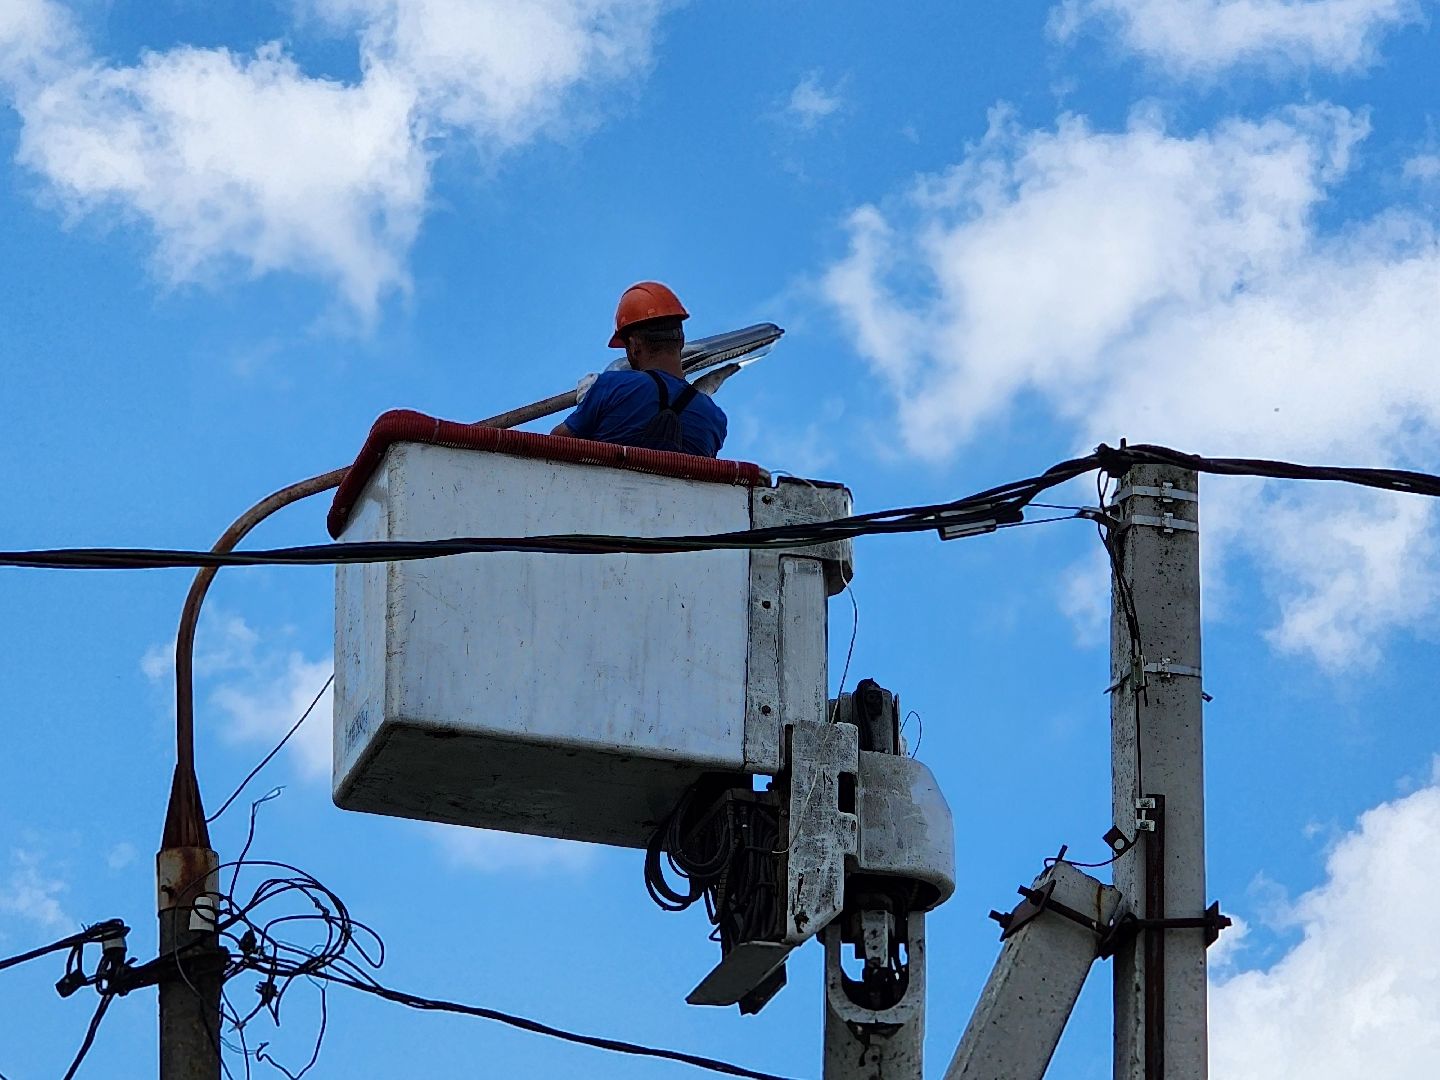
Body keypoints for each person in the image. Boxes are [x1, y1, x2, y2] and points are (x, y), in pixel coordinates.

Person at [550, 282, 728, 457]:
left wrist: (589, 403)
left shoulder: (610, 386)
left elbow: (555, 445)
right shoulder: (714, 419)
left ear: (634, 346)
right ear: (681, 341)